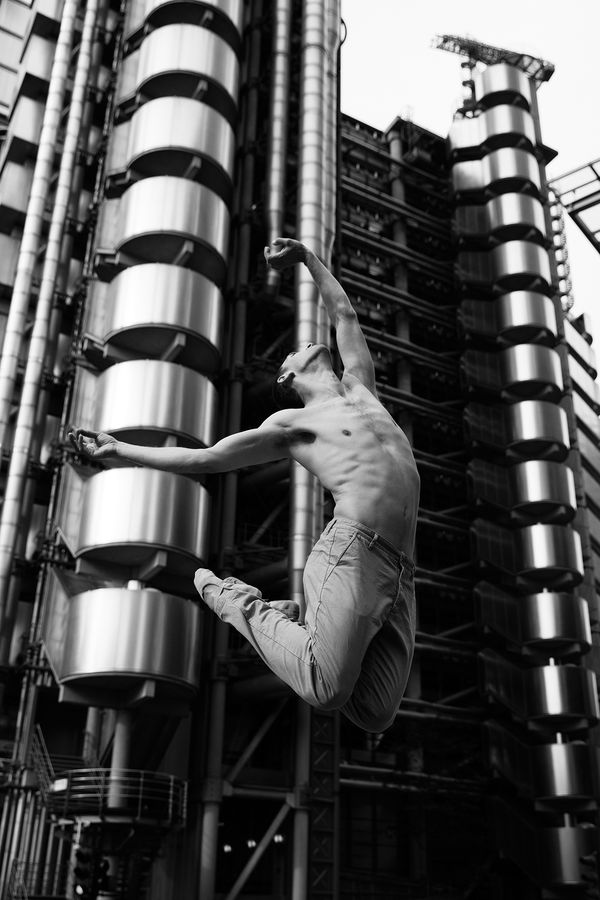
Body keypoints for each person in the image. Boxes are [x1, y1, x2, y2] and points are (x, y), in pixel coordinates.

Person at [69, 237, 419, 732]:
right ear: (286, 378)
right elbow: (207, 457)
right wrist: (120, 449)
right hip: (353, 549)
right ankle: (233, 599)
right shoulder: (291, 423)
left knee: (375, 711)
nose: (303, 344)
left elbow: (344, 314)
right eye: (293, 351)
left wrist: (307, 257)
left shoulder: (361, 389)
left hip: (401, 568)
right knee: (326, 687)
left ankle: (299, 626)